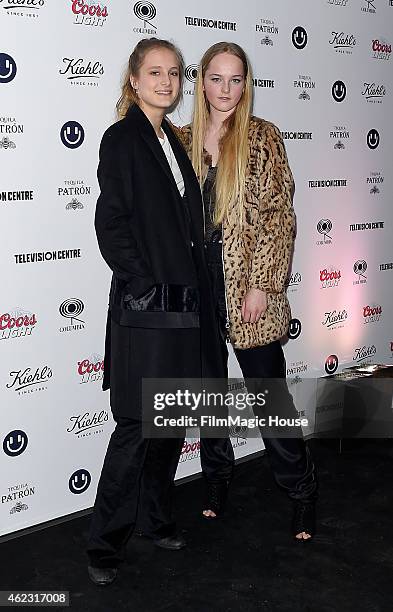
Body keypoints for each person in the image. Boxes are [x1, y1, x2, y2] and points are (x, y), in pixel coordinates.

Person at [86, 37, 226, 586]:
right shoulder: (121, 139)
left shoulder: (172, 139)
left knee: (168, 426)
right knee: (137, 427)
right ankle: (103, 543)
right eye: (154, 72)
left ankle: (154, 518)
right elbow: (111, 222)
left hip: (185, 309)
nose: (166, 82)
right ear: (134, 80)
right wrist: (143, 283)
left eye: (173, 73)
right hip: (146, 312)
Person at [180, 42, 318, 539]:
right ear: (201, 82)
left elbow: (280, 216)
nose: (226, 89)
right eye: (216, 78)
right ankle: (216, 479)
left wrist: (263, 283)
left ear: (246, 84)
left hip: (247, 285)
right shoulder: (183, 139)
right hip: (199, 286)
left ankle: (301, 492)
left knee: (268, 396)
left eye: (235, 79)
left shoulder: (263, 137)